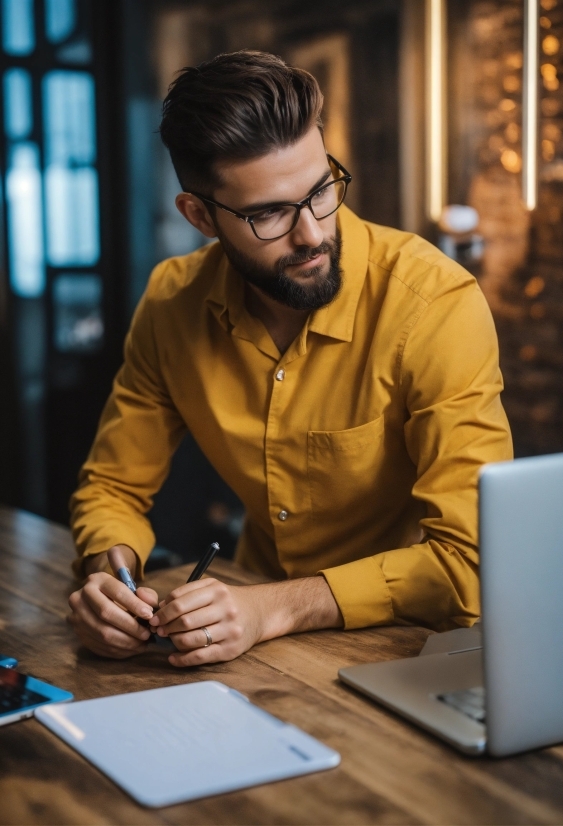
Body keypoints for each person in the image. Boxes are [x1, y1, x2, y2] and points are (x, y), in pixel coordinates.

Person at [68, 50, 512, 667]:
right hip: (256, 651)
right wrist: (109, 579)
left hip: (419, 647)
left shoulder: (435, 303)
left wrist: (273, 607)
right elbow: (113, 487)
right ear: (199, 216)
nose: (311, 234)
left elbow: (472, 560)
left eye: (320, 189)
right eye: (268, 212)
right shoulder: (173, 303)